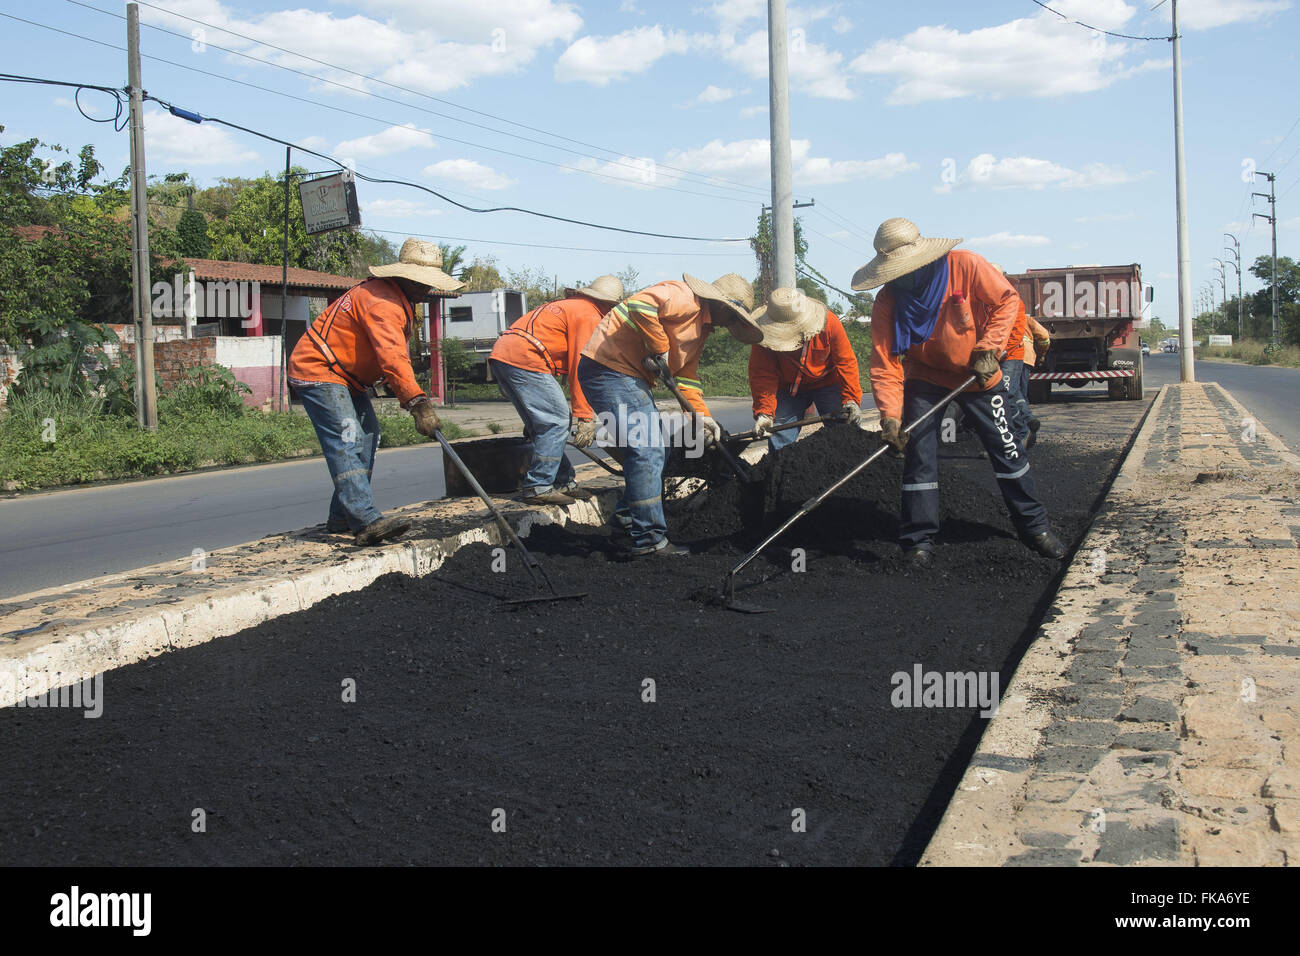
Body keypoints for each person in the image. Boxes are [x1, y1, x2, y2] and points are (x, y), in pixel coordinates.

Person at [851, 218, 1067, 569]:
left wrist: (988, 349)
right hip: (925, 378)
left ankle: (1035, 528)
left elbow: (1006, 302)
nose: (901, 277)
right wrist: (890, 416)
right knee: (919, 457)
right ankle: (917, 542)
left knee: (1007, 449)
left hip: (978, 374)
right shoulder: (889, 301)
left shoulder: (965, 265)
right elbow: (885, 361)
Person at [288, 238, 462, 546]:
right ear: (404, 277)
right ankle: (365, 521)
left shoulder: (396, 299)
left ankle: (342, 516)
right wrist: (419, 404)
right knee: (348, 437)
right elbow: (393, 358)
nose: (427, 290)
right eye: (422, 283)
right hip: (318, 369)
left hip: (347, 378)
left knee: (368, 437)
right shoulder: (382, 302)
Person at [576, 273, 762, 557]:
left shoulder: (701, 332)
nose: (732, 324)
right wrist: (660, 346)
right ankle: (649, 539)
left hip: (628, 375)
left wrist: (703, 419)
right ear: (724, 306)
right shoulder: (684, 296)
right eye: (734, 317)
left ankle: (629, 520)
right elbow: (640, 306)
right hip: (609, 368)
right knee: (647, 450)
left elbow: (686, 378)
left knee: (654, 450)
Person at [487, 275, 624, 505]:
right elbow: (580, 366)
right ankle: (539, 485)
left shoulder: (571, 306)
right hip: (525, 357)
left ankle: (562, 481)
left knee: (544, 425)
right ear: (610, 305)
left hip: (504, 355)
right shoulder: (588, 314)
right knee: (556, 422)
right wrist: (584, 416)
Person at [748, 287, 863, 450]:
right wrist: (764, 412)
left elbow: (846, 362)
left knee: (845, 428)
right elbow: (762, 374)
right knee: (780, 439)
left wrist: (851, 399)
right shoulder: (763, 337)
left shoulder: (829, 323)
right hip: (788, 388)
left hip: (827, 383)